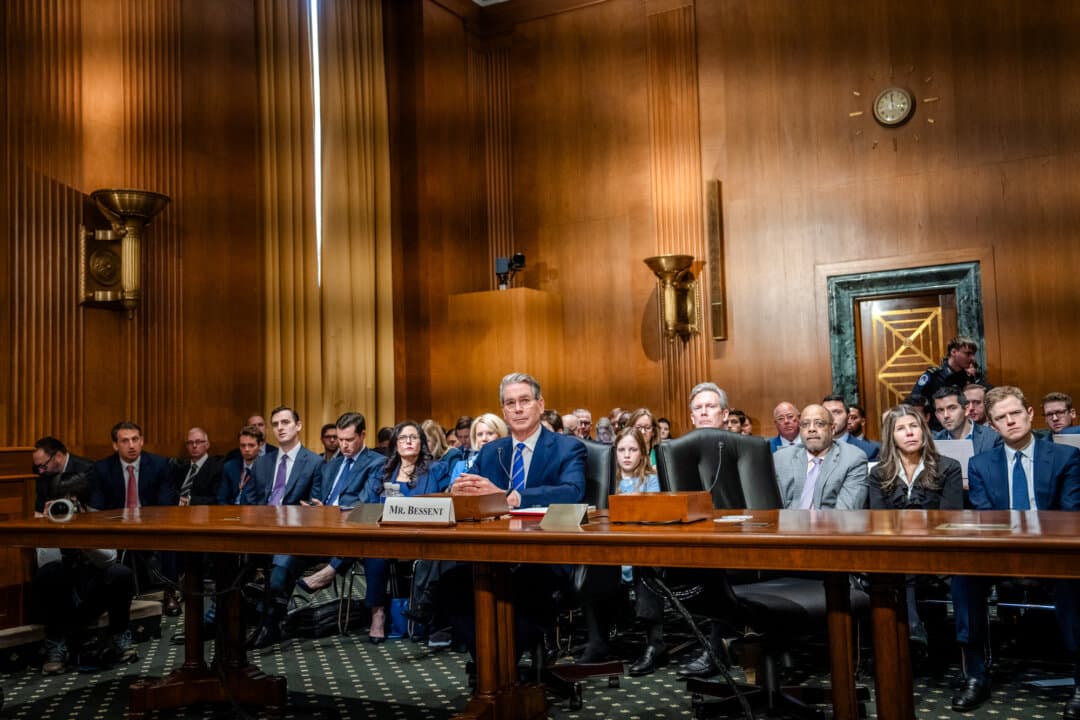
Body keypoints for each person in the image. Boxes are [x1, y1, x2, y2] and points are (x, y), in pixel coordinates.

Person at [949, 386, 1080, 715]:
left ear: (1030, 414)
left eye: (1015, 413)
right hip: (1001, 552)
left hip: (1053, 553)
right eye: (1001, 418)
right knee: (963, 577)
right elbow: (986, 519)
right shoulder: (980, 464)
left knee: (1074, 580)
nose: (1010, 421)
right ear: (992, 425)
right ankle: (975, 676)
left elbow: (1069, 517)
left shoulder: (1066, 457)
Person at [445, 373, 586, 657]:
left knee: (522, 589)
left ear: (540, 404)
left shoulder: (567, 447)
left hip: (544, 555)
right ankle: (489, 664)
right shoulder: (491, 451)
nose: (518, 409)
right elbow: (474, 495)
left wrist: (511, 497)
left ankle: (504, 668)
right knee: (450, 584)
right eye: (510, 403)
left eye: (524, 401)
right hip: (493, 553)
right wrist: (463, 489)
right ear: (503, 411)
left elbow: (572, 492)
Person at [869, 405, 963, 646]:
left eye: (914, 426)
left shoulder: (948, 467)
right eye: (901, 429)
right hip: (896, 551)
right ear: (891, 437)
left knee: (903, 569)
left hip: (938, 551)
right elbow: (880, 520)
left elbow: (949, 518)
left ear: (924, 431)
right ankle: (910, 635)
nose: (909, 433)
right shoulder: (879, 474)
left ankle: (910, 636)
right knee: (900, 567)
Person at [578, 427, 667, 675]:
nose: (627, 455)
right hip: (611, 551)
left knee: (646, 569)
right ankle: (598, 641)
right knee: (591, 567)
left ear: (643, 452)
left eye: (633, 450)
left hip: (643, 550)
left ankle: (654, 643)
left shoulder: (653, 481)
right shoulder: (607, 481)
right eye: (622, 450)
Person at [33, 471, 137, 675]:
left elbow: (109, 558)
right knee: (50, 572)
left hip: (91, 593)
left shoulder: (95, 516)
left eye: (74, 499)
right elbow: (45, 564)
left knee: (120, 573)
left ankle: (119, 635)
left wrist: (82, 539)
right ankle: (56, 644)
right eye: (64, 498)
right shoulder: (51, 518)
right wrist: (50, 527)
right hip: (62, 599)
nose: (69, 505)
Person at [242, 405, 325, 649]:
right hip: (261, 531)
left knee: (280, 568)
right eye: (276, 424)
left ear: (298, 426)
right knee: (231, 562)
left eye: (286, 422)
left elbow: (318, 503)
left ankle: (268, 624)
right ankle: (218, 620)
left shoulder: (314, 462)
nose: (280, 428)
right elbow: (250, 502)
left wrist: (310, 508)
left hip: (296, 533)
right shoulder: (262, 463)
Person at [360, 421, 450, 643]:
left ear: (422, 443)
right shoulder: (382, 473)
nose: (408, 441)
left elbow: (444, 504)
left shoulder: (437, 469)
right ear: (395, 444)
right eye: (403, 438)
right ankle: (377, 615)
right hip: (389, 536)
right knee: (374, 552)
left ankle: (423, 613)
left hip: (424, 536)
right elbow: (370, 506)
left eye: (414, 437)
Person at [91, 421, 179, 615]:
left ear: (142, 442)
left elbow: (165, 504)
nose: (131, 445)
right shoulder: (102, 468)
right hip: (116, 526)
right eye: (125, 441)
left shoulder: (160, 465)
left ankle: (169, 592)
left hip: (152, 524)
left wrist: (143, 521)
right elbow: (97, 507)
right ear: (115, 445)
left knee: (171, 539)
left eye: (135, 440)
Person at [774, 404, 869, 510]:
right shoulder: (780, 459)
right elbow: (772, 507)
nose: (811, 429)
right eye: (805, 424)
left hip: (831, 525)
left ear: (832, 429)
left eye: (819, 424)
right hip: (786, 525)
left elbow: (845, 511)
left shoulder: (853, 458)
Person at [910, 337, 989, 430]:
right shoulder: (933, 376)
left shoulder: (967, 377)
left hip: (962, 428)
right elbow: (914, 403)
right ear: (954, 352)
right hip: (937, 430)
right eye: (968, 354)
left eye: (973, 354)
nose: (972, 359)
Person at [31, 436, 99, 514]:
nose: (40, 471)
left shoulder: (87, 469)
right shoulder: (42, 472)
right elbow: (39, 508)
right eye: (37, 467)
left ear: (58, 456)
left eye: (43, 466)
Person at [931, 387, 1000, 454]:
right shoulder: (934, 442)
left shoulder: (992, 437)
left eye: (952, 408)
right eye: (940, 410)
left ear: (966, 410)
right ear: (936, 415)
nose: (946, 415)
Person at [448, 413, 508, 484]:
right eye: (480, 434)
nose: (484, 439)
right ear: (474, 438)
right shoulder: (461, 466)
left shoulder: (512, 462)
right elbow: (454, 493)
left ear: (501, 435)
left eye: (490, 433)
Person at [174, 427, 223, 507]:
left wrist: (189, 501)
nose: (194, 445)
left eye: (198, 442)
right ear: (186, 446)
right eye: (190, 442)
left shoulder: (217, 468)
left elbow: (216, 499)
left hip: (201, 514)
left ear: (207, 445)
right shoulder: (180, 466)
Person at [219, 425, 263, 505]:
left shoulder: (266, 469)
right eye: (243, 445)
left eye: (251, 445)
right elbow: (222, 498)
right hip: (230, 512)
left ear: (260, 445)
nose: (246, 449)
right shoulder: (229, 467)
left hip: (254, 513)